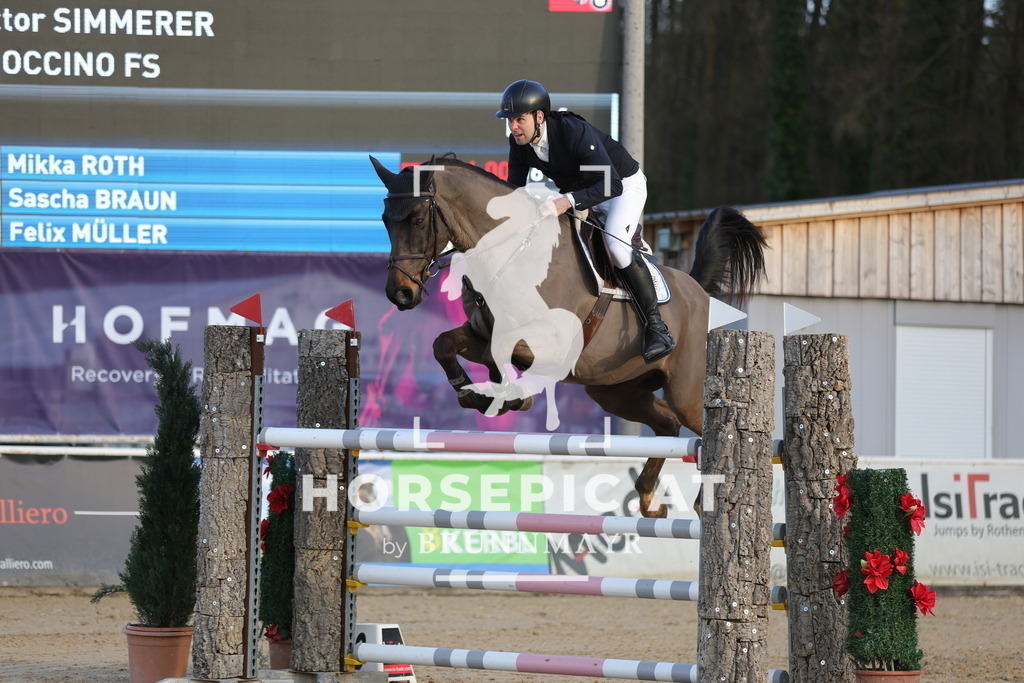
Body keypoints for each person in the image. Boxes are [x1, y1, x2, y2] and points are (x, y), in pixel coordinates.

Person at [495, 79, 674, 363]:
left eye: (519, 119)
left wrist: (564, 202)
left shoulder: (572, 132)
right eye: (509, 120)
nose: (513, 126)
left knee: (615, 246)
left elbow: (609, 185)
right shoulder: (520, 144)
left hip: (621, 186)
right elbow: (514, 190)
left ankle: (657, 327)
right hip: (584, 192)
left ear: (539, 117)